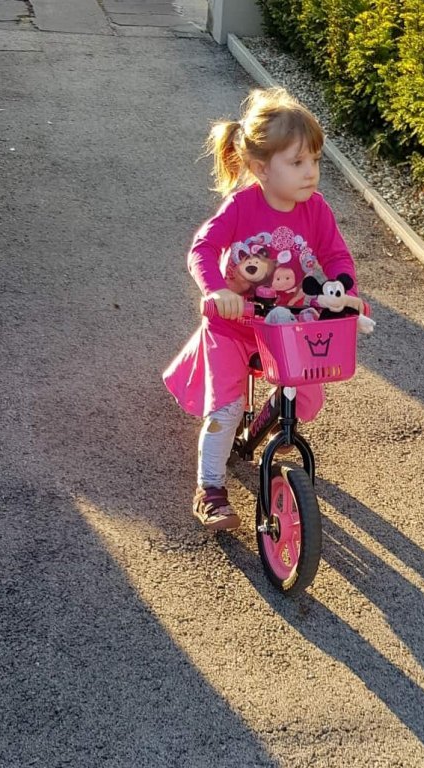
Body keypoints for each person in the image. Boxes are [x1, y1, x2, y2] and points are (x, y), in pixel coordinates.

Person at [162, 87, 370, 532]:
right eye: (297, 162)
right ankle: (210, 489)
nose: (311, 172)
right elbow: (203, 249)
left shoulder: (315, 210)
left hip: (286, 326)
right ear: (261, 168)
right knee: (225, 408)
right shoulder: (242, 206)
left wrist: (342, 289)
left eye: (315, 160)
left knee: (304, 390)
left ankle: (269, 425)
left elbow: (336, 256)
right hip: (233, 325)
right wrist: (218, 290)